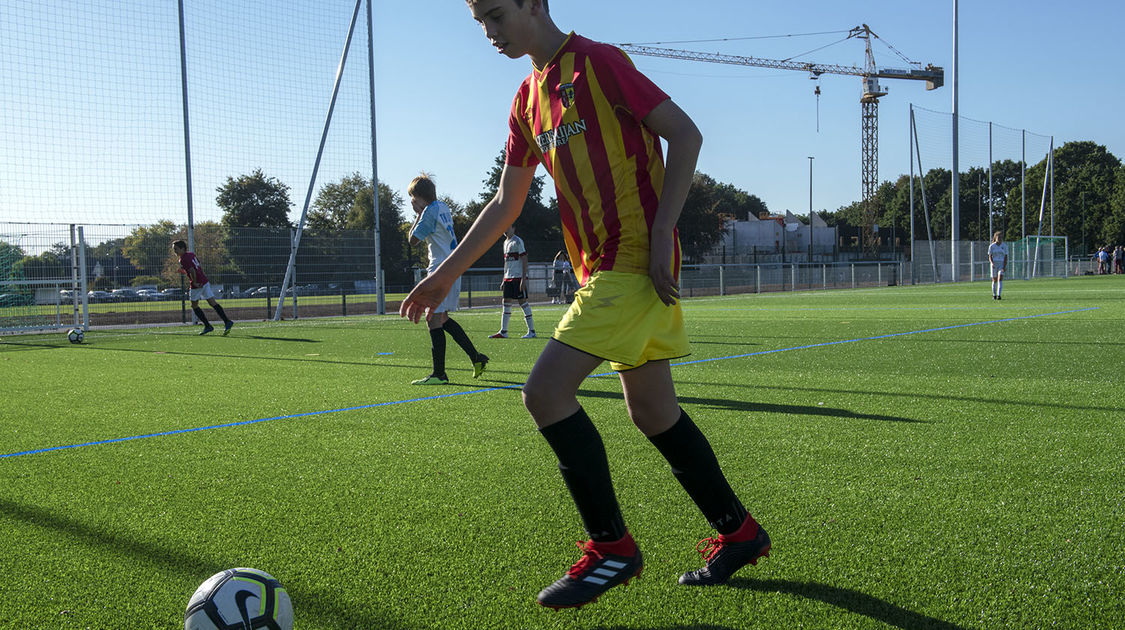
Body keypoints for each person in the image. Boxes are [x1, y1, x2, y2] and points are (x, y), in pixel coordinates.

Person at [401, 0, 768, 610]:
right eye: (480, 23)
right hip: (598, 266)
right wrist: (446, 273)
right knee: (653, 412)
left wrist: (661, 231)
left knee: (544, 393)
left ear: (535, 3)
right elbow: (506, 203)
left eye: (497, 15)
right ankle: (741, 532)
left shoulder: (598, 63)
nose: (490, 33)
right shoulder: (526, 100)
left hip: (630, 263)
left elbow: (686, 133)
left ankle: (612, 550)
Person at [407, 174, 489, 385]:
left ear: (419, 197)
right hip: (453, 266)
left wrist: (417, 215)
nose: (411, 202)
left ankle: (439, 374)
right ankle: (476, 358)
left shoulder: (428, 212)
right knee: (441, 319)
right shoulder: (443, 207)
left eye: (412, 198)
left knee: (432, 318)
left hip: (439, 270)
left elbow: (412, 240)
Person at [172, 239, 233, 335]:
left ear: (182, 248)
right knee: (212, 302)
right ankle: (227, 321)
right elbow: (196, 267)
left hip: (197, 284)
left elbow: (192, 270)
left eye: (176, 249)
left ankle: (208, 326)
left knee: (194, 305)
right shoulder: (191, 254)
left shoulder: (183, 259)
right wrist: (185, 272)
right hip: (204, 280)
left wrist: (195, 282)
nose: (174, 251)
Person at [490, 224, 536, 338]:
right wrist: (503, 280)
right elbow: (506, 263)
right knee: (505, 302)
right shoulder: (505, 243)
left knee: (522, 302)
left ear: (513, 228)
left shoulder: (518, 241)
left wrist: (523, 279)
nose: (505, 230)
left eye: (507, 227)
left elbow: (524, 259)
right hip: (508, 278)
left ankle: (532, 331)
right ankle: (503, 332)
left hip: (518, 277)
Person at [988, 231, 1007, 300]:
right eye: (998, 237)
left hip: (1001, 264)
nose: (999, 238)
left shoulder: (1004, 246)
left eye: (1001, 237)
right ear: (995, 237)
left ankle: (999, 295)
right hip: (994, 264)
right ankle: (994, 295)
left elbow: (1005, 257)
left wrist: (1004, 266)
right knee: (994, 279)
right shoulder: (992, 246)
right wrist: (992, 263)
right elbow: (990, 256)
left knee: (1000, 278)